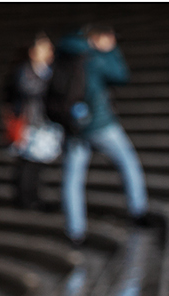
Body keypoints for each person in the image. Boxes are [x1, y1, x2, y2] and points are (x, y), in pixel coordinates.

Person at [55, 24, 148, 245]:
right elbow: (121, 75)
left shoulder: (65, 53)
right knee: (128, 162)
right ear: (98, 37)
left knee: (73, 179)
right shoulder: (93, 58)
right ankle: (138, 210)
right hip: (100, 124)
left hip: (73, 126)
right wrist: (112, 51)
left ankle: (75, 230)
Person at [0, 34, 56, 210]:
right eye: (44, 47)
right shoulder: (25, 71)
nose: (49, 51)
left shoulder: (47, 71)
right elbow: (25, 90)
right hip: (28, 123)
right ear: (32, 52)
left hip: (42, 123)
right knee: (27, 163)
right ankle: (25, 198)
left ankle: (32, 197)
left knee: (36, 164)